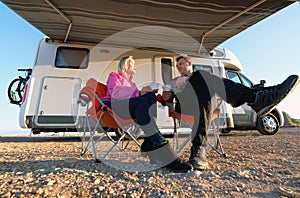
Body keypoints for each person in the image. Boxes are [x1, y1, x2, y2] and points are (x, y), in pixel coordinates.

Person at [161, 54, 299, 170]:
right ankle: (257, 97)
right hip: (186, 105)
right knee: (202, 77)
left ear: (189, 63)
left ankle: (198, 149)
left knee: (202, 79)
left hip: (204, 103)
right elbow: (165, 98)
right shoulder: (174, 81)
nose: (179, 67)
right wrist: (170, 91)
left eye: (181, 64)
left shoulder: (199, 75)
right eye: (177, 65)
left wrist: (191, 79)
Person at [102, 56, 192, 172]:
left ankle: (150, 143)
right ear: (125, 65)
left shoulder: (132, 83)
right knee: (142, 100)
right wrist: (138, 93)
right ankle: (165, 153)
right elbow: (116, 93)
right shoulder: (114, 76)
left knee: (150, 97)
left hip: (128, 107)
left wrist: (142, 92)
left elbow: (133, 97)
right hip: (112, 106)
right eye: (133, 63)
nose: (135, 66)